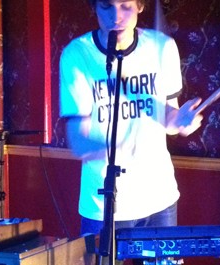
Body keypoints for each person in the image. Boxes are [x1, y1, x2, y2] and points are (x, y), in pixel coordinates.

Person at [59, 0, 203, 263]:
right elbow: (78, 141)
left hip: (159, 196)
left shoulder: (162, 48)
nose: (116, 16)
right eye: (106, 6)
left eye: (125, 6)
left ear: (140, 6)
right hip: (102, 203)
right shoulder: (77, 55)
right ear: (95, 8)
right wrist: (110, 150)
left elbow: (169, 120)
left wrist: (181, 123)